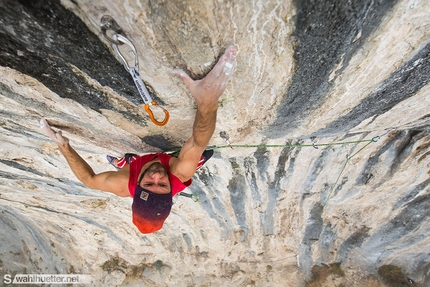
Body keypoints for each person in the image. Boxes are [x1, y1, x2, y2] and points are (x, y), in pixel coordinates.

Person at [40, 46, 237, 234]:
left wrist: (63, 146)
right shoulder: (178, 175)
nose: (158, 177)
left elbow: (89, 180)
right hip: (174, 165)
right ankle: (139, 162)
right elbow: (198, 141)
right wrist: (208, 101)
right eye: (163, 186)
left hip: (135, 168)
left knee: (130, 162)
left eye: (149, 184)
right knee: (195, 156)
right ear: (170, 192)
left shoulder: (122, 184)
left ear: (136, 190)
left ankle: (127, 162)